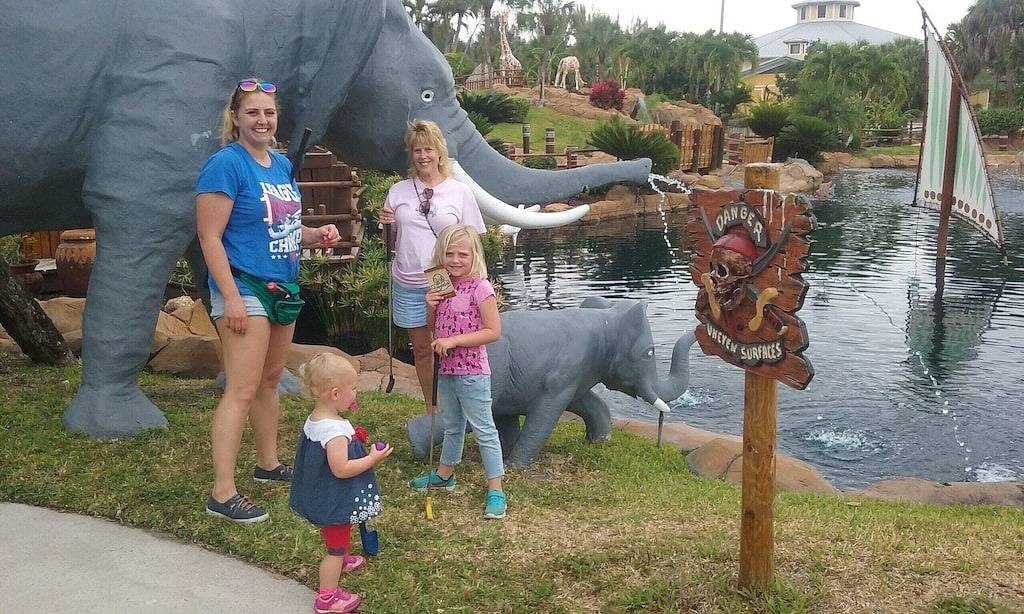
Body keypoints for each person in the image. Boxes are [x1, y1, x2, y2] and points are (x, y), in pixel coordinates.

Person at [197, 77, 340, 522]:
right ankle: (222, 493)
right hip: (246, 286)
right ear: (235, 117)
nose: (262, 120)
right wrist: (231, 297)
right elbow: (209, 236)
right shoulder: (226, 165)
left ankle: (268, 464)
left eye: (269, 112)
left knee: (269, 379)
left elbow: (280, 226)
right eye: (253, 112)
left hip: (284, 286)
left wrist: (314, 235)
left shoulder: (279, 165)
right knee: (240, 388)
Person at [377, 120, 486, 412]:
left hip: (441, 278)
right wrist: (385, 225)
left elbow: (473, 243)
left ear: (439, 152)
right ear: (411, 154)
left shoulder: (459, 192)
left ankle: (460, 408)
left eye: (428, 149)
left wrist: (477, 284)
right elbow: (390, 242)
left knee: (449, 343)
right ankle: (432, 408)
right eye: (417, 150)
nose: (423, 156)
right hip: (407, 278)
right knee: (423, 349)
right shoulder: (398, 190)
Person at [409, 225, 506, 520]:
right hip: (446, 369)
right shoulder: (440, 285)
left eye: (462, 254)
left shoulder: (481, 288)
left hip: (472, 370)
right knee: (452, 425)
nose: (455, 260)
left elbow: (493, 331)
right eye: (449, 254)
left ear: (474, 255)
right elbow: (433, 327)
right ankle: (444, 474)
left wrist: (454, 341)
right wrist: (429, 306)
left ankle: (496, 489)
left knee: (484, 429)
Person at [290, 353, 392, 614]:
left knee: (339, 534)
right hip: (334, 498)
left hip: (323, 493)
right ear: (335, 394)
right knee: (334, 548)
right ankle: (327, 598)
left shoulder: (316, 419)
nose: (356, 393)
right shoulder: (334, 432)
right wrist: (372, 458)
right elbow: (342, 469)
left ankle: (343, 557)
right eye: (353, 388)